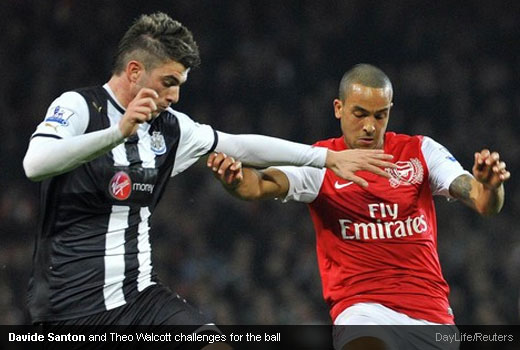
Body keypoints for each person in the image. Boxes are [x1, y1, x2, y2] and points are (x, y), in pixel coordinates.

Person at [21, 13, 397, 349]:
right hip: (66, 312)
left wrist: (327, 157)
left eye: (180, 83)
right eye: (168, 81)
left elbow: (241, 145)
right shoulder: (80, 107)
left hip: (140, 301)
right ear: (134, 71)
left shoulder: (170, 128)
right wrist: (117, 132)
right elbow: (35, 164)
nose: (175, 95)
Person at [208, 64, 511, 350]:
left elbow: (485, 204)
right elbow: (257, 185)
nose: (369, 126)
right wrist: (233, 179)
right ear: (338, 109)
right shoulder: (321, 161)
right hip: (362, 310)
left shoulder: (420, 152)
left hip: (431, 316)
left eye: (380, 116)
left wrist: (491, 185)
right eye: (360, 114)